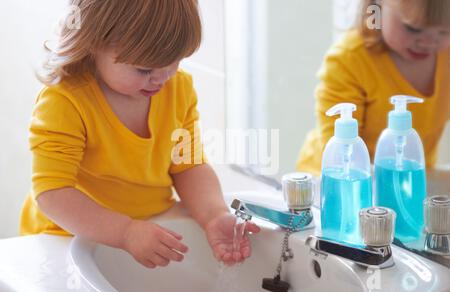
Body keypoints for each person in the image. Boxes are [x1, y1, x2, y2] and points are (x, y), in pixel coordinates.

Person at [20, 0, 260, 269]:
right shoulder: (66, 101)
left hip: (147, 225)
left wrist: (214, 215)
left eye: (174, 62)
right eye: (144, 70)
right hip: (66, 236)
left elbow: (189, 166)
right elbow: (53, 193)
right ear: (93, 44)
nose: (162, 78)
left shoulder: (177, 90)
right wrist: (125, 232)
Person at [297, 0, 450, 176]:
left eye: (444, 31)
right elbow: (341, 153)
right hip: (335, 180)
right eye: (413, 28)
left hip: (407, 179)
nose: (428, 42)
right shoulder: (349, 61)